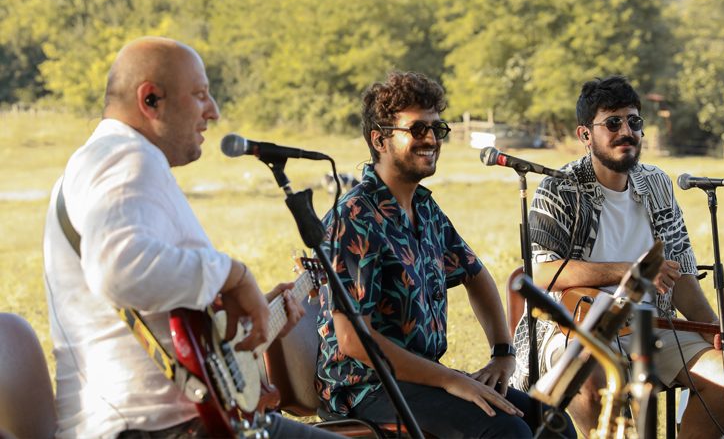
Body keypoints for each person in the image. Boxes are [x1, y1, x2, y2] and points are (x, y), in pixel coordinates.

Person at [43, 37, 340, 438]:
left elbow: (164, 309)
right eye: (200, 95)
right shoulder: (125, 157)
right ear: (151, 100)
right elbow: (119, 269)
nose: (213, 112)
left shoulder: (104, 160)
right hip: (155, 427)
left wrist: (248, 320)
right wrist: (234, 275)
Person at [314, 71, 576, 438]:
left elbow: (475, 273)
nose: (431, 139)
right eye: (417, 129)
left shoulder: (423, 208)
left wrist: (502, 352)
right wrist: (451, 379)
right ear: (380, 139)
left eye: (438, 129)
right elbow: (354, 340)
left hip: (421, 378)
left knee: (554, 424)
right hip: (365, 390)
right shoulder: (354, 219)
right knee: (507, 432)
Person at [516, 75, 724, 438]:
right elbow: (543, 274)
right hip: (573, 329)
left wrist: (713, 327)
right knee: (591, 375)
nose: (626, 131)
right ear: (585, 135)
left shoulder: (658, 184)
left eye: (634, 122)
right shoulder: (559, 187)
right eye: (612, 123)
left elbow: (681, 275)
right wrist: (630, 271)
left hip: (653, 327)